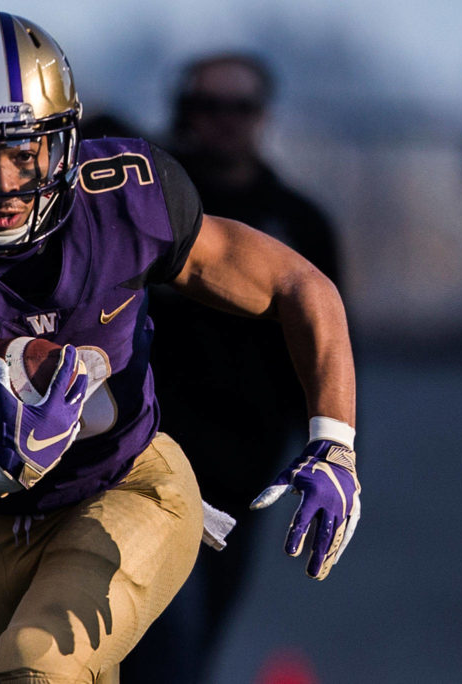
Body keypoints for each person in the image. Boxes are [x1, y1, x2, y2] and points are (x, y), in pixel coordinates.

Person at [0, 12, 361, 683]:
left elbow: (296, 283)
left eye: (26, 151)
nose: (6, 183)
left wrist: (333, 437)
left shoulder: (127, 200)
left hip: (131, 484)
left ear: (66, 140)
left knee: (37, 668)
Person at [125, 53, 345, 681]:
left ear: (263, 116)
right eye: (206, 106)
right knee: (157, 644)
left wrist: (324, 448)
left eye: (239, 107)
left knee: (196, 646)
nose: (222, 121)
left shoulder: (300, 224)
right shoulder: (148, 208)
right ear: (182, 112)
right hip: (139, 462)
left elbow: (329, 340)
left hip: (243, 473)